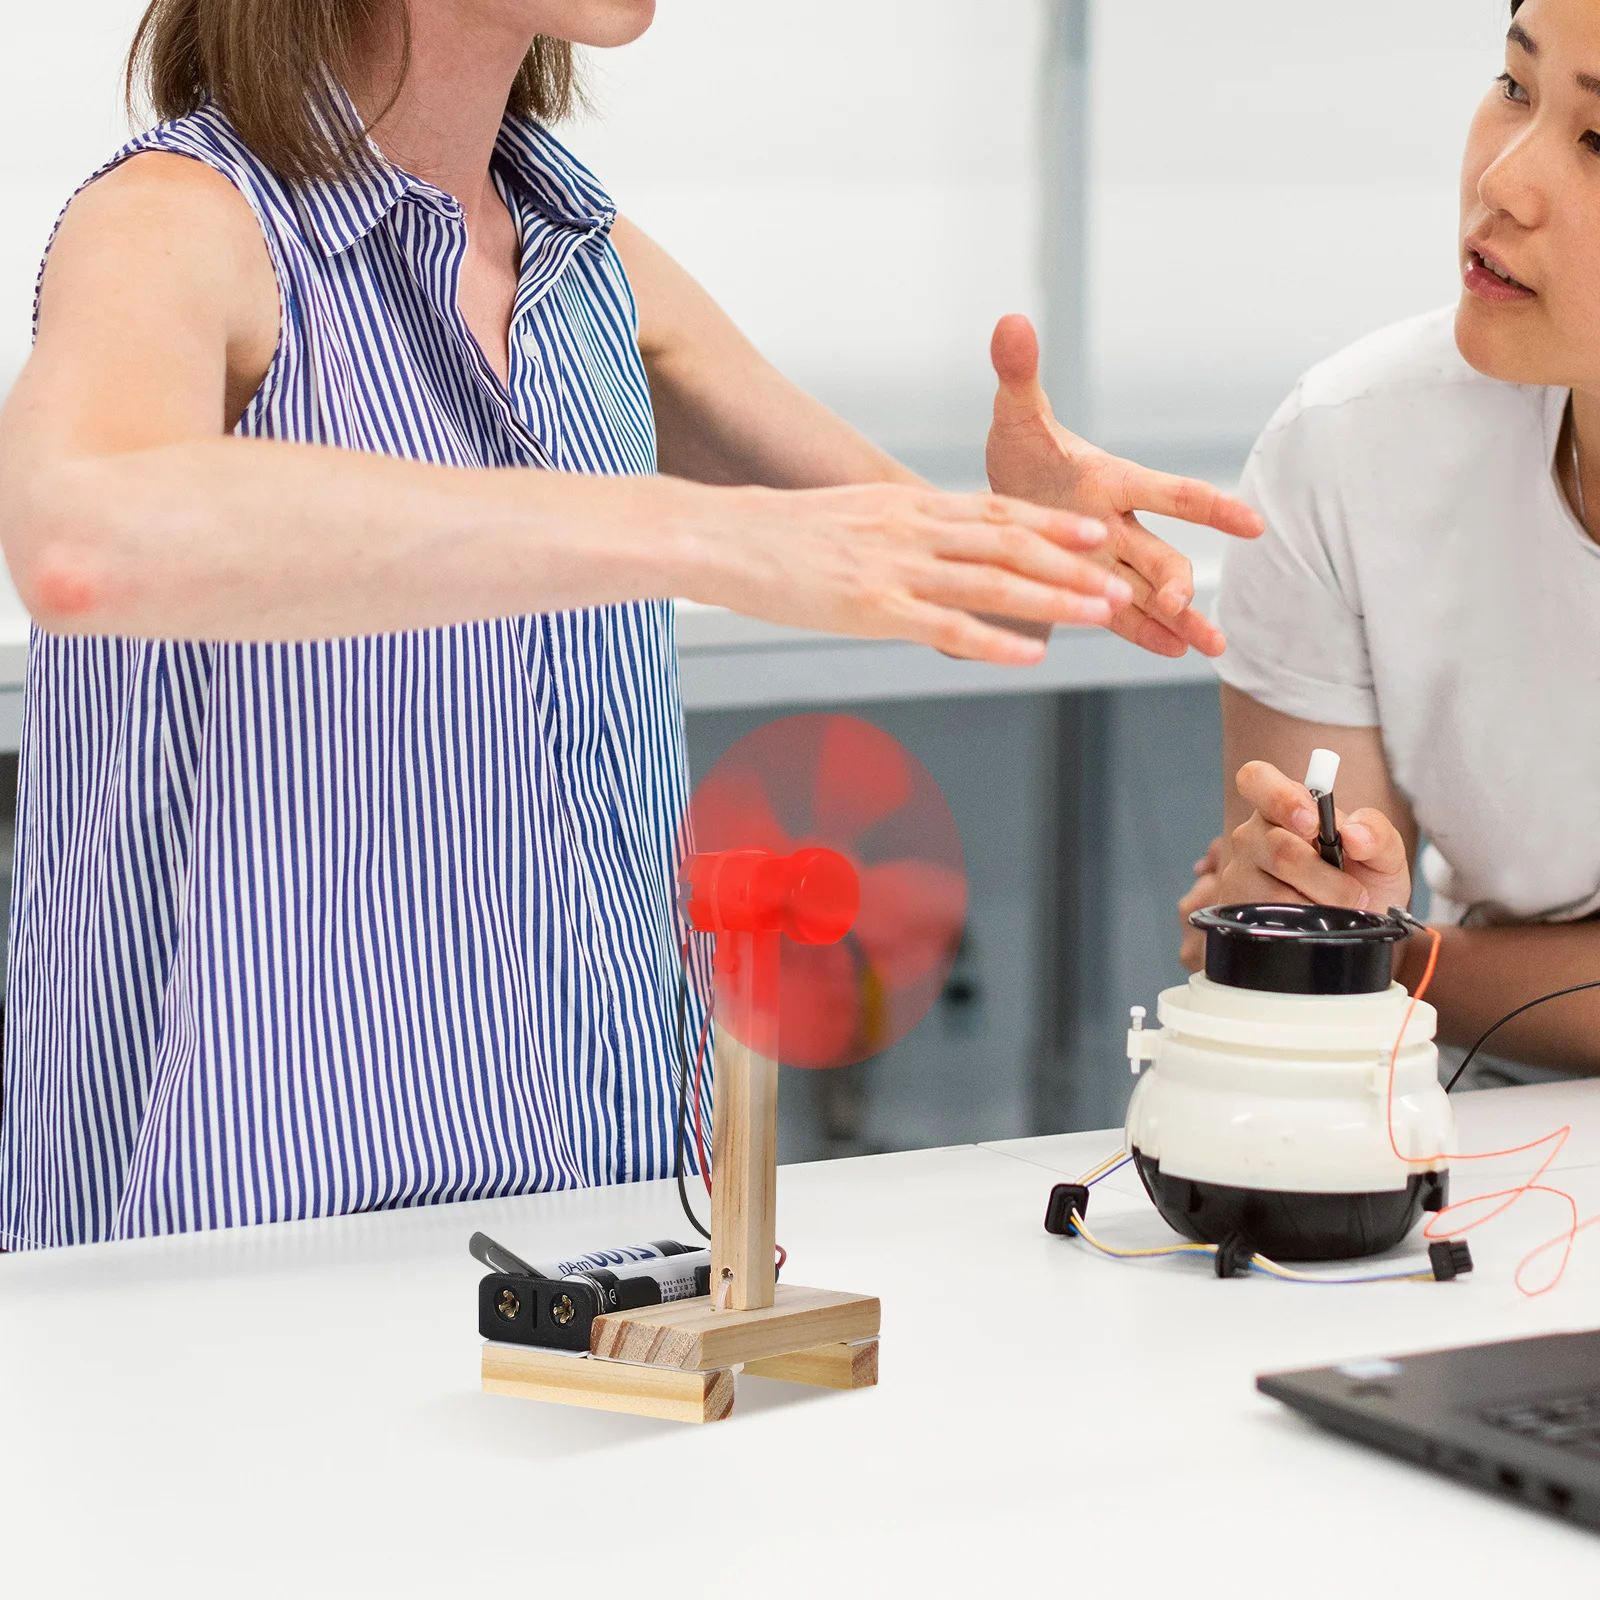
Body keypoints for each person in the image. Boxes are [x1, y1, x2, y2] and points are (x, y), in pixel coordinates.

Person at [0, 0, 1260, 1249]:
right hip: (243, 1262)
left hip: (600, 1219)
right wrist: (687, 528)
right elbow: (80, 534)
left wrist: (1030, 540)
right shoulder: (177, 222)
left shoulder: (588, 258)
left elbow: (927, 577)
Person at [1182, 0, 1600, 1080]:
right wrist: (1307, 908)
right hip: (1496, 1139)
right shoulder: (1352, 447)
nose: (1501, 181)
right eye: (1514, 86)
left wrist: (1402, 959)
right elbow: (1300, 965)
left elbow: (1362, 962)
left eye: (1598, 139)